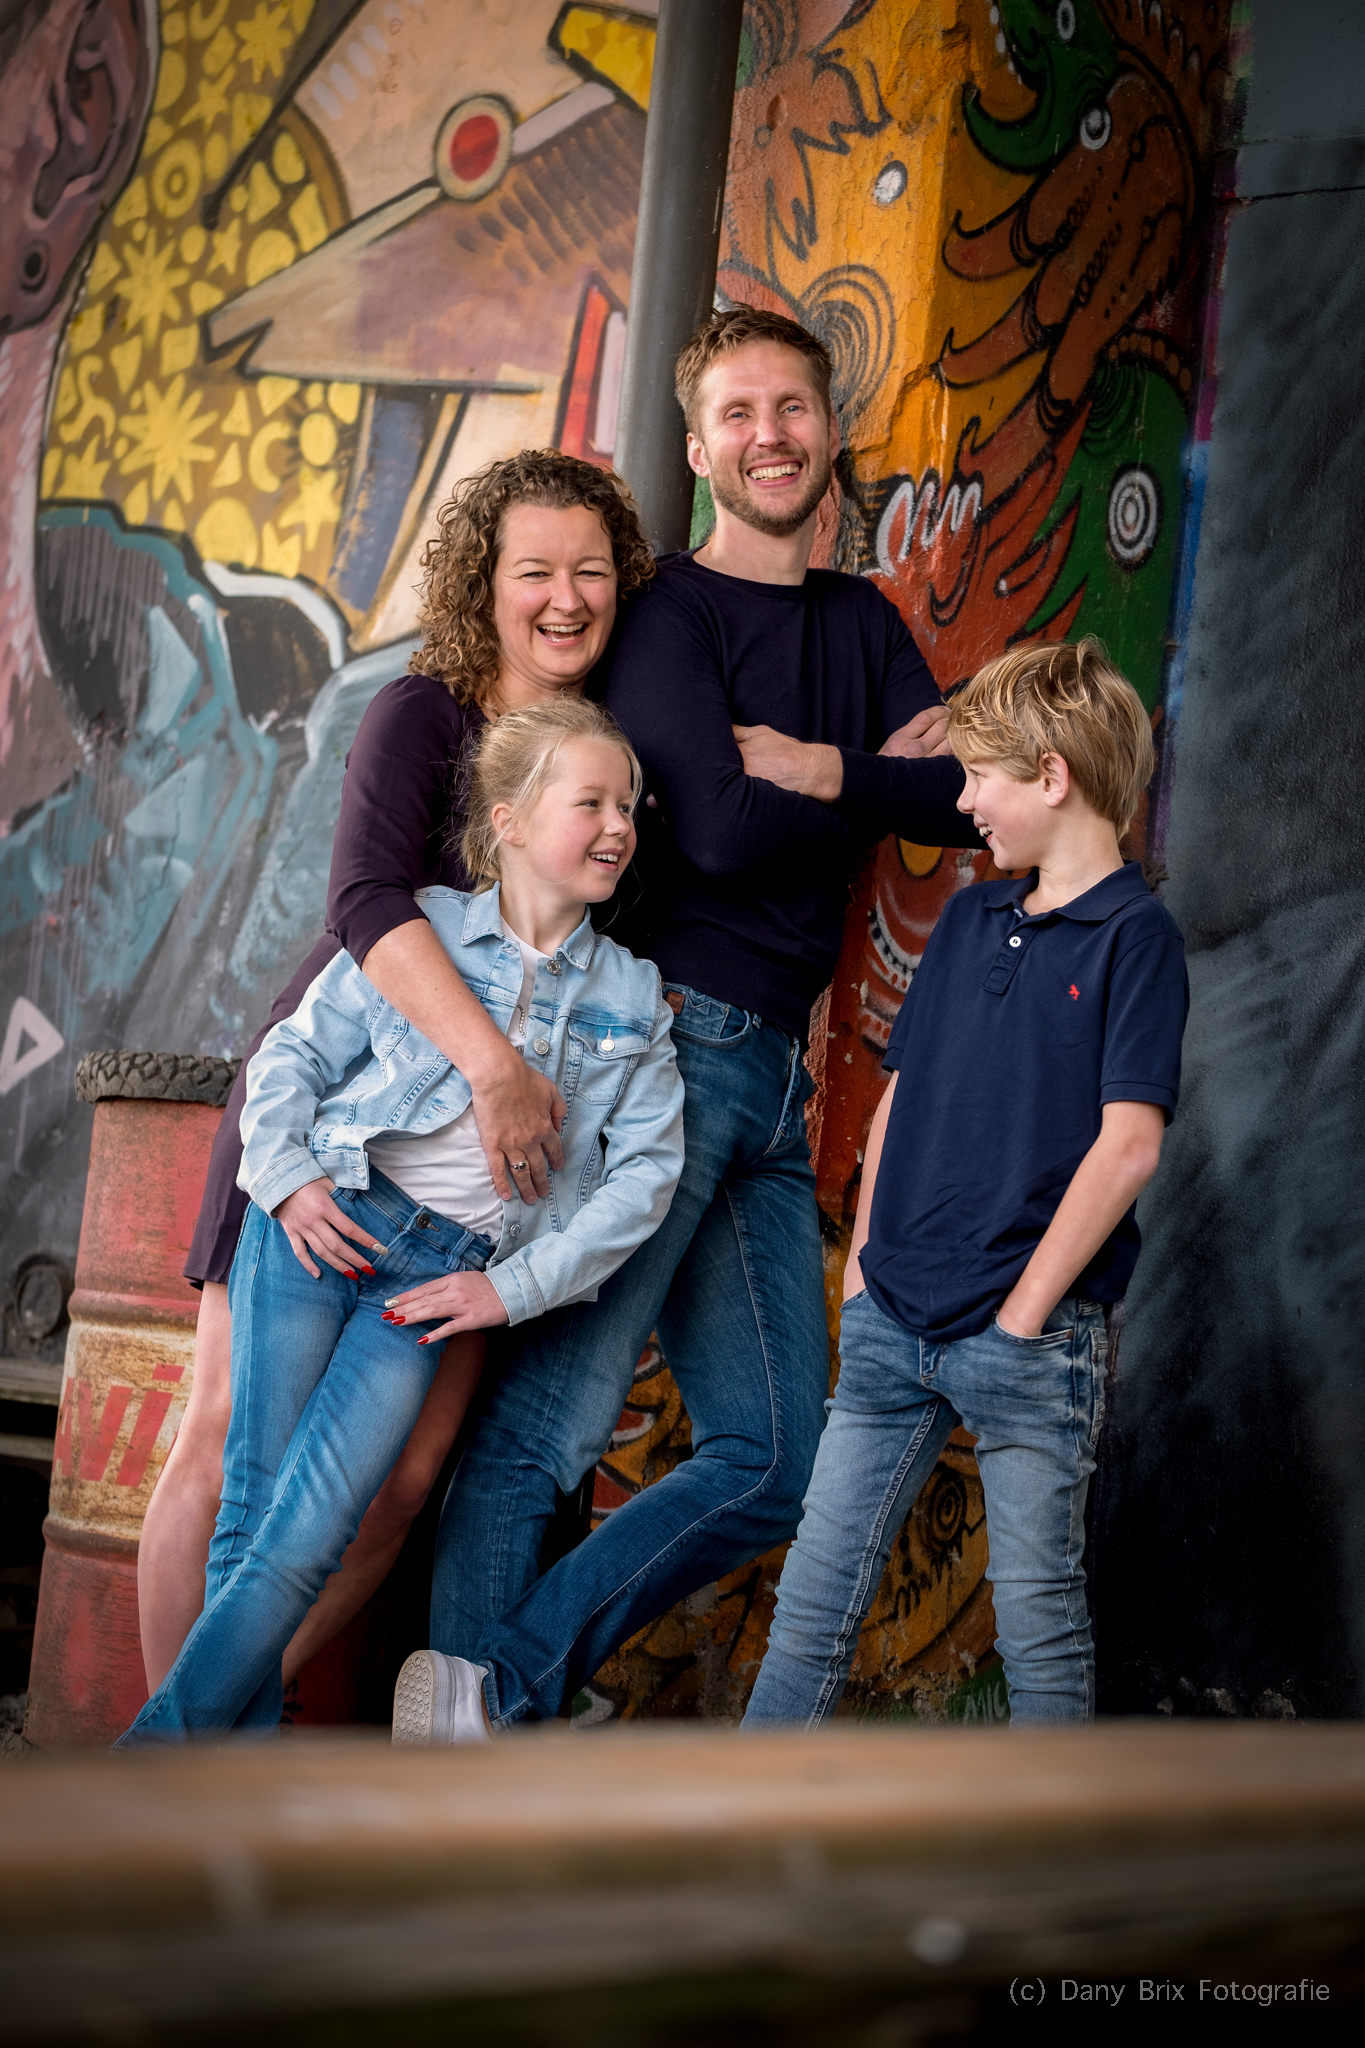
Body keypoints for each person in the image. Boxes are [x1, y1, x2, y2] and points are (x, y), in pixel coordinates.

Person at [408, 305, 981, 1740]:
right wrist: (865, 779)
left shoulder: (862, 622)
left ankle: (491, 1691)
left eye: (792, 408)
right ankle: (457, 1763)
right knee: (548, 1426)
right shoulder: (672, 613)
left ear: (829, 430)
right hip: (665, 1045)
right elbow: (715, 830)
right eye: (738, 413)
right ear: (698, 445)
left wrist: (818, 766)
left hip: (775, 1077)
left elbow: (965, 793)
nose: (768, 436)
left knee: (774, 1456)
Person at [136, 452, 655, 1694]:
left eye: (592, 571)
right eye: (534, 570)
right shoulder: (423, 714)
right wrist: (494, 1067)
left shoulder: (610, 764)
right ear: (486, 581)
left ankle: (214, 1718)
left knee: (401, 1484)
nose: (565, 598)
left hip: (475, 1199)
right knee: (222, 1432)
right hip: (335, 1115)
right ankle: (169, 1763)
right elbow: (367, 900)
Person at [743, 638, 1188, 1727]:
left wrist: (1024, 1313)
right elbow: (900, 1097)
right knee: (811, 1603)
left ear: (1053, 775)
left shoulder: (1138, 938)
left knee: (1038, 1624)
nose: (962, 799)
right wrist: (863, 1270)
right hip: (893, 1316)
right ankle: (738, 1812)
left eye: (980, 774)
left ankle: (1046, 1841)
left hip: (1027, 1341)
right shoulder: (970, 920)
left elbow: (1129, 1145)